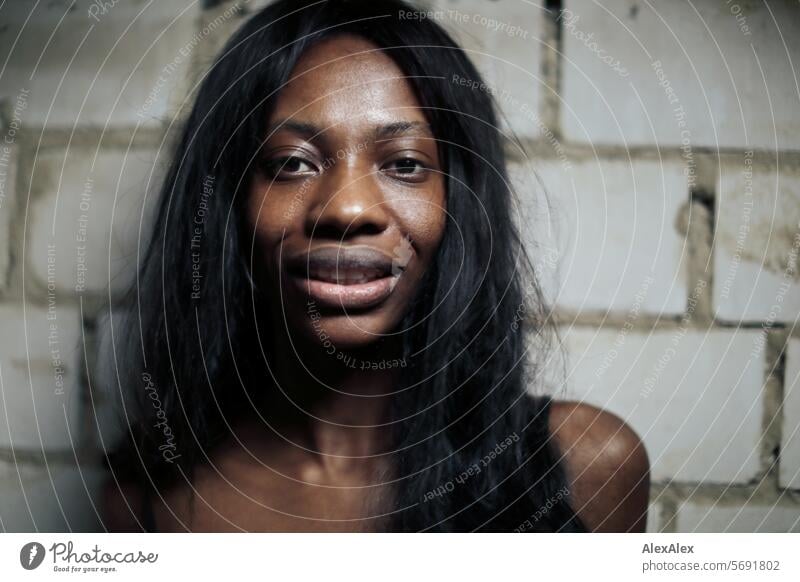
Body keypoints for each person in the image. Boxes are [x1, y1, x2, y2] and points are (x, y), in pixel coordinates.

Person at [104, 0, 649, 532]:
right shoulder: (150, 498)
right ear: (229, 202)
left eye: (405, 165)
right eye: (292, 163)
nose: (347, 208)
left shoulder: (589, 465)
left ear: (457, 202)